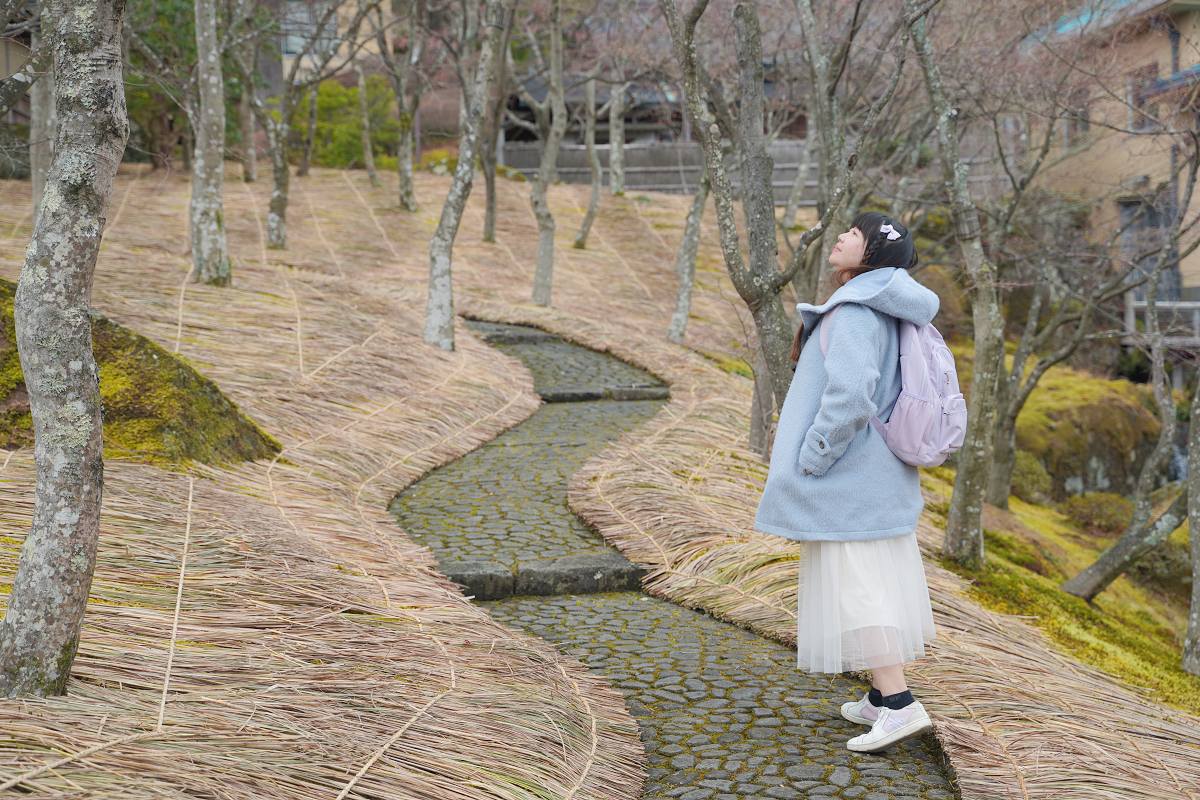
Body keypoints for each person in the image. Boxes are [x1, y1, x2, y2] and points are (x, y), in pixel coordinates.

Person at [755, 211, 939, 753]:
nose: (840, 236)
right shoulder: (884, 308)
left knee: (860, 591)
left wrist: (813, 456)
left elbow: (851, 397)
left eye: (854, 234)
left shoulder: (857, 311)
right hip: (874, 475)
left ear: (873, 256)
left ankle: (900, 705)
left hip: (847, 475)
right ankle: (881, 700)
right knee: (870, 583)